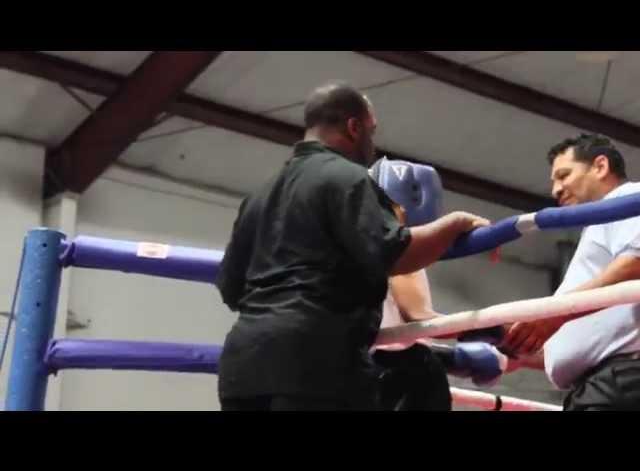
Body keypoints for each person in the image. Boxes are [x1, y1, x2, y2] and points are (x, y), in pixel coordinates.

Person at [215, 81, 490, 411]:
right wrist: (455, 223)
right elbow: (395, 252)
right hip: (315, 364)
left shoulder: (258, 197)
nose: (372, 145)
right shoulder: (347, 177)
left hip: (242, 369)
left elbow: (231, 290)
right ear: (353, 127)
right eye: (371, 133)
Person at [501, 133, 640, 410]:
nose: (556, 190)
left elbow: (636, 263)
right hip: (606, 384)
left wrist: (554, 315)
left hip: (620, 382)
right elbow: (607, 330)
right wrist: (526, 353)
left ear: (600, 167)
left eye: (564, 175)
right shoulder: (603, 225)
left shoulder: (628, 199)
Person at [369, 158, 507, 411]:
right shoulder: (397, 246)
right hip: (390, 374)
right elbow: (419, 319)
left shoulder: (351, 238)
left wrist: (456, 358)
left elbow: (391, 335)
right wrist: (498, 329)